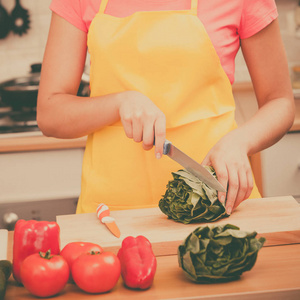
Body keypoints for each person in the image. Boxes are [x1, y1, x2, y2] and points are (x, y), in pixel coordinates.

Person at [37, 0, 295, 215]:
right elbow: (50, 114)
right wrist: (119, 103)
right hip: (113, 212)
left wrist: (239, 143)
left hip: (216, 201)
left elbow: (280, 101)